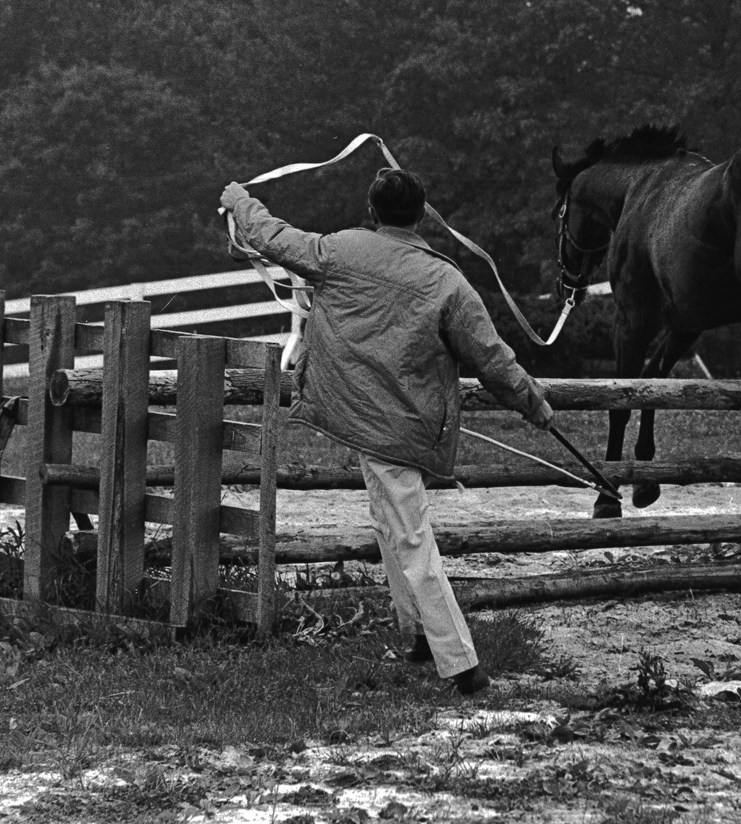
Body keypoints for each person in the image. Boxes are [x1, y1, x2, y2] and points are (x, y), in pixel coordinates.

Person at [220, 169, 556, 696]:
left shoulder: (341, 250)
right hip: (402, 424)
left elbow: (270, 235)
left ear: (372, 211)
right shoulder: (446, 280)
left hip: (371, 421)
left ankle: (461, 663)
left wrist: (239, 200)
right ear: (422, 215)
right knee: (391, 523)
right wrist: (532, 402)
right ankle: (421, 636)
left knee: (408, 534)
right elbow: (491, 355)